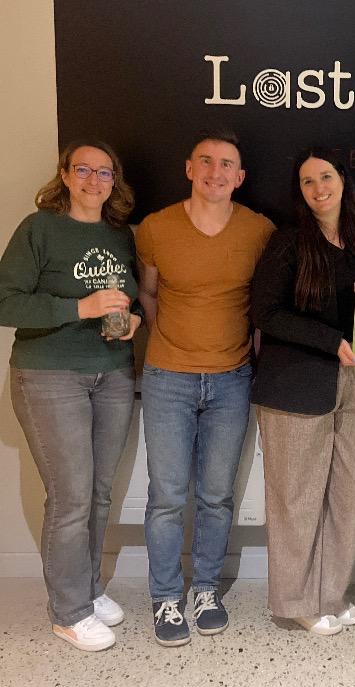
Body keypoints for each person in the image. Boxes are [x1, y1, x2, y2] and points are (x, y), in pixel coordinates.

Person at [0, 140, 141, 651]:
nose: (93, 180)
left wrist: (133, 321)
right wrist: (79, 309)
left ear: (114, 181)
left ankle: (88, 588)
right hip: (49, 376)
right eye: (83, 169)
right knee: (71, 497)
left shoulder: (119, 235)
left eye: (104, 172)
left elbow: (129, 297)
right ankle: (68, 611)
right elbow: (5, 302)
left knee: (99, 493)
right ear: (64, 174)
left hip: (113, 374)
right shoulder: (39, 229)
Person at [136, 130, 274, 646]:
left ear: (239, 178)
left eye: (227, 165)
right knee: (167, 497)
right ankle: (166, 597)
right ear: (190, 168)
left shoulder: (259, 231)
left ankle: (207, 589)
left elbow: (262, 306)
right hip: (167, 378)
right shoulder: (156, 227)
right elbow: (148, 294)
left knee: (216, 496)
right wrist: (172, 343)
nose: (216, 172)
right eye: (207, 162)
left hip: (232, 379)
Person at [250, 149, 355, 637]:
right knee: (297, 499)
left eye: (325, 177)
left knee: (348, 498)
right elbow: (265, 312)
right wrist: (331, 342)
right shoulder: (287, 242)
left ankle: (330, 595)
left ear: (343, 181)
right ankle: (296, 601)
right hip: (295, 386)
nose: (318, 188)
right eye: (308, 181)